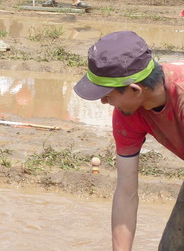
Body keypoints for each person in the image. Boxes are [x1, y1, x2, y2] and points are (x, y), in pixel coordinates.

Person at [74, 31, 184, 251]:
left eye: (107, 95)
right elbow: (126, 192)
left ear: (135, 90)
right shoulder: (128, 111)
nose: (104, 102)